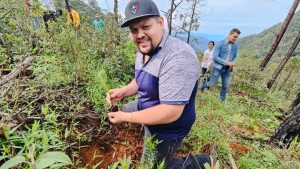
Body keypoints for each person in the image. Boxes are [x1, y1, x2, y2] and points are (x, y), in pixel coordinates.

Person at [105, 0, 215, 168]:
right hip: (147, 106)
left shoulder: (178, 57)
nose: (140, 34)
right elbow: (142, 78)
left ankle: (201, 162)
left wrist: (127, 118)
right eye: (134, 30)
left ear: (160, 23)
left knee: (155, 165)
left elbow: (170, 112)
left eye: (146, 27)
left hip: (169, 127)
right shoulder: (145, 48)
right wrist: (124, 91)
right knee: (124, 110)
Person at [200, 28, 241, 102]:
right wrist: (226, 62)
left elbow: (235, 56)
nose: (235, 39)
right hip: (217, 68)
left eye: (237, 37)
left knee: (225, 86)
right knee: (212, 83)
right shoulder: (220, 44)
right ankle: (202, 86)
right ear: (230, 34)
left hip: (227, 70)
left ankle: (221, 101)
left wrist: (233, 63)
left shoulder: (235, 46)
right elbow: (215, 57)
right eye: (234, 36)